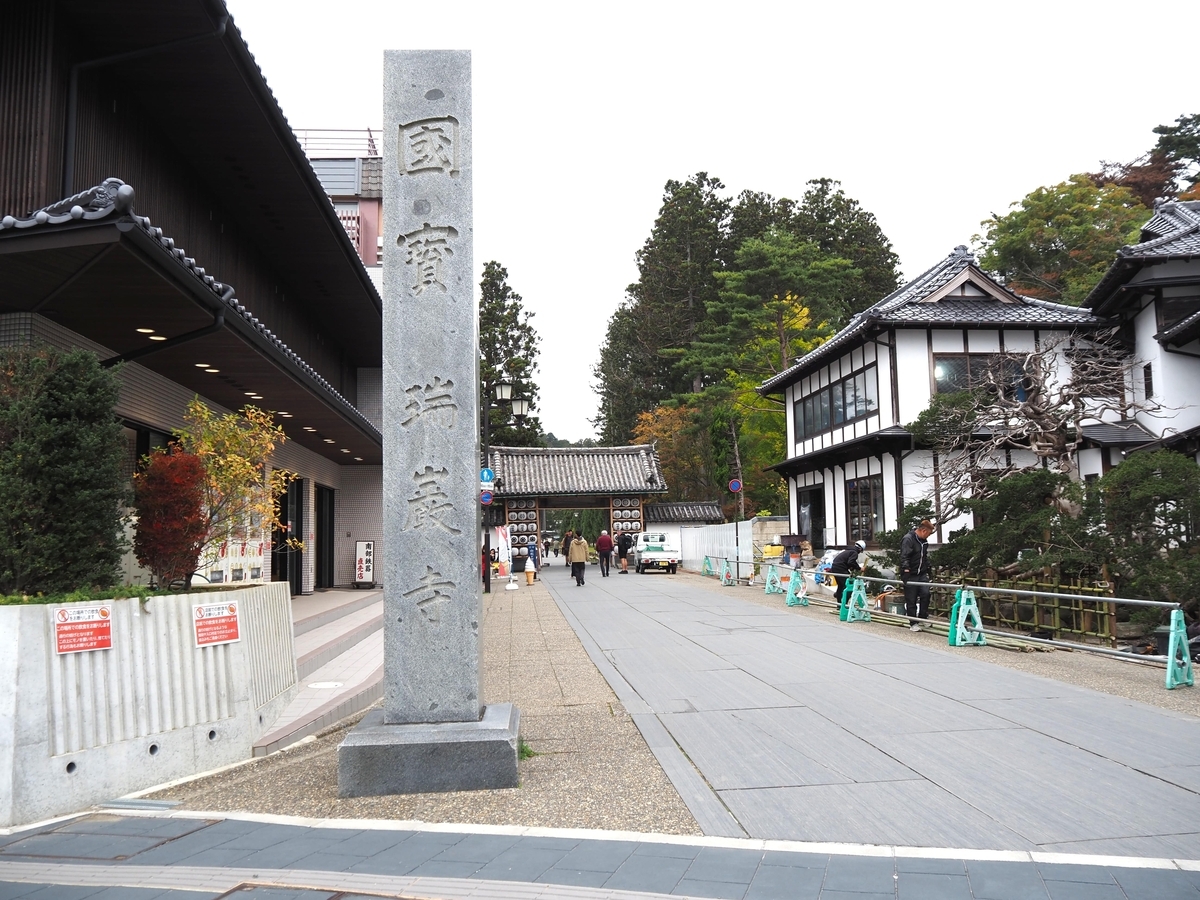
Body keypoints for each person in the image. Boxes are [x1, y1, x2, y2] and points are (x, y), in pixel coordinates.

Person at [900, 519, 935, 631]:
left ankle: (923, 617)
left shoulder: (924, 542)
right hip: (911, 573)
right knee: (911, 598)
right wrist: (906, 569)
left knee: (926, 594)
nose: (929, 536)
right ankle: (913, 622)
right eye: (929, 533)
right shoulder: (908, 539)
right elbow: (904, 556)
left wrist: (928, 568)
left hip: (922, 573)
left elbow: (924, 557)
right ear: (923, 531)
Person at [829, 540, 866, 610]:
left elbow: (847, 562)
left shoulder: (848, 550)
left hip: (834, 568)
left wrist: (851, 567)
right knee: (849, 586)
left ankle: (839, 604)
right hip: (840, 569)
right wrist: (859, 568)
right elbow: (851, 562)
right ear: (860, 549)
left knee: (840, 586)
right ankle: (844, 605)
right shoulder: (854, 552)